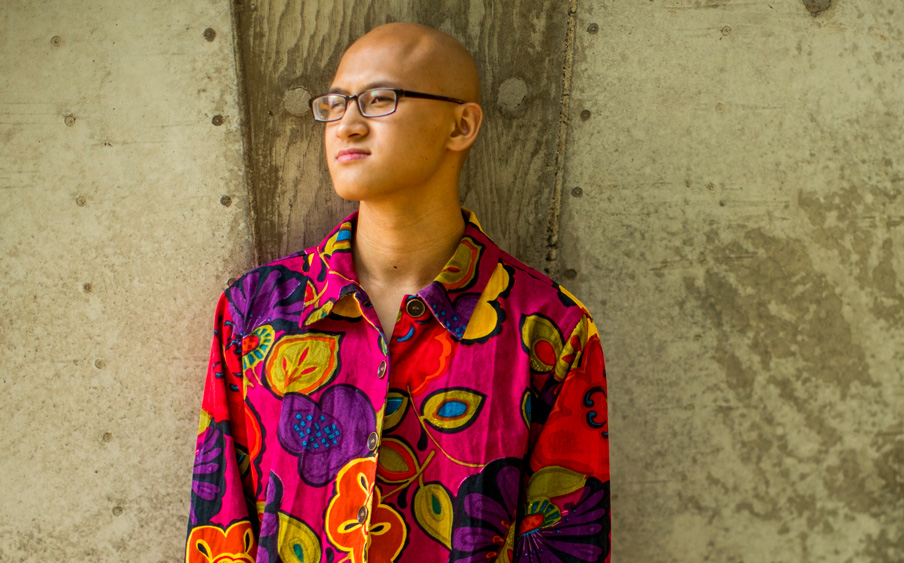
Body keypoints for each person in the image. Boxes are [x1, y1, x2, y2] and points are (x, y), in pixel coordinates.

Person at [186, 22, 610, 563]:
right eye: (335, 105)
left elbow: (564, 544)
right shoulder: (256, 310)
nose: (347, 125)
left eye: (379, 100)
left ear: (461, 124)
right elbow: (220, 527)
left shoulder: (550, 331)